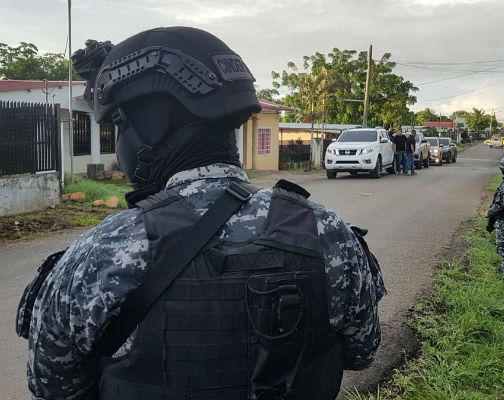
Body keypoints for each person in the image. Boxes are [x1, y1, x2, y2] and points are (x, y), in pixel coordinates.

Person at [17, 27, 386, 400]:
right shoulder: (326, 231)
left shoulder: (102, 250)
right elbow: (361, 352)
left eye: (119, 126)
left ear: (150, 127)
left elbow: (55, 387)